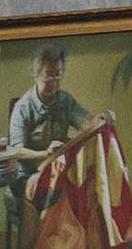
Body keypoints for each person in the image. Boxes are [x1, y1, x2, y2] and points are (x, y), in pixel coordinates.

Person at [8, 43, 113, 202]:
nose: (54, 81)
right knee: (54, 195)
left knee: (90, 190)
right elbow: (17, 152)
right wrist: (45, 155)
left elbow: (86, 123)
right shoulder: (22, 108)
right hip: (26, 175)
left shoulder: (65, 101)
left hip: (57, 171)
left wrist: (101, 119)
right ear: (36, 75)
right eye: (48, 75)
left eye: (58, 74)